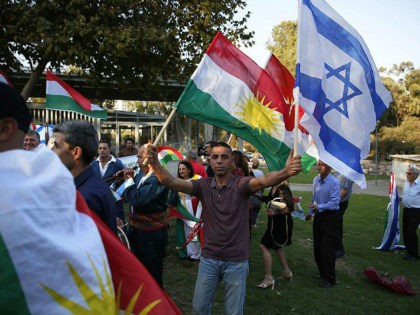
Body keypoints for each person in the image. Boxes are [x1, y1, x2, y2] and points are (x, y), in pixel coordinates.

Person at [145, 141, 302, 314]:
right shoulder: (203, 186)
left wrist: (286, 172)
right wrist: (154, 162)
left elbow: (264, 181)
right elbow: (171, 182)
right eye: (215, 157)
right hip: (209, 259)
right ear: (210, 161)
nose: (219, 160)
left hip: (236, 261)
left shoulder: (241, 184)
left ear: (231, 162)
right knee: (199, 308)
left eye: (224, 157)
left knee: (233, 312)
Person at [0, 82, 115, 313]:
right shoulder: (61, 189)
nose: (48, 151)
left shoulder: (85, 195)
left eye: (56, 145)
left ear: (76, 152)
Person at [51, 120, 117, 235]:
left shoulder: (87, 197)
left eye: (56, 146)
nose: (51, 151)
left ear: (76, 152)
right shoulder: (78, 188)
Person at [118, 144, 169, 287]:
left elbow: (137, 199)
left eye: (140, 157)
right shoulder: (141, 173)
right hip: (137, 230)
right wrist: (123, 180)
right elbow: (129, 196)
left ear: (149, 159)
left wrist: (128, 179)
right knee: (138, 267)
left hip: (151, 235)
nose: (137, 160)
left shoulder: (158, 177)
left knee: (152, 269)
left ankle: (156, 302)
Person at [307, 161, 340, 288]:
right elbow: (314, 198)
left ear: (329, 166)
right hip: (319, 215)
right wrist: (310, 212)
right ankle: (322, 273)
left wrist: (318, 206)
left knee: (327, 249)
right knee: (317, 247)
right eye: (318, 164)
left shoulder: (335, 182)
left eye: (322, 164)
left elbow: (335, 203)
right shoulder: (316, 179)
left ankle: (330, 279)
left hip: (330, 217)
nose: (319, 167)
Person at [257, 181, 294, 290]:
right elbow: (271, 201)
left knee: (263, 245)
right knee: (277, 247)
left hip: (282, 225)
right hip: (273, 223)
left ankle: (269, 278)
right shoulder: (274, 187)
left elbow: (290, 207)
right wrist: (257, 196)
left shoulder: (283, 189)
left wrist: (276, 213)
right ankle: (287, 272)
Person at [168, 160, 203, 260]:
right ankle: (188, 251)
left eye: (183, 169)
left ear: (189, 169)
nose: (181, 171)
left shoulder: (197, 178)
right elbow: (173, 198)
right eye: (180, 169)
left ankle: (196, 253)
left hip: (196, 207)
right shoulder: (177, 181)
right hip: (183, 209)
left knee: (195, 229)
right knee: (186, 231)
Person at [91, 139, 126, 226]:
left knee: (116, 227)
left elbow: (125, 180)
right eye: (100, 148)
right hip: (98, 200)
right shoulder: (93, 164)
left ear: (109, 150)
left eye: (104, 148)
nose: (102, 150)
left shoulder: (117, 164)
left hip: (114, 200)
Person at [401, 166, 420, 261]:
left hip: (416, 211)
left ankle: (414, 254)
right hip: (406, 210)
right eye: (406, 173)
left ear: (416, 175)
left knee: (411, 231)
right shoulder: (407, 183)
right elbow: (405, 195)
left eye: (409, 173)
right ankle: (408, 251)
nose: (407, 175)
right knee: (405, 231)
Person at [335, 173, 353, 258]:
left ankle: (339, 249)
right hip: (337, 202)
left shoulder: (345, 173)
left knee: (336, 225)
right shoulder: (338, 171)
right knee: (335, 224)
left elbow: (344, 191)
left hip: (340, 203)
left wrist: (332, 202)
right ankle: (335, 247)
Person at [251, 158, 264, 226]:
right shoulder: (260, 173)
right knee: (256, 209)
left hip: (250, 195)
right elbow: (263, 184)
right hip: (257, 194)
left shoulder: (249, 171)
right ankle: (253, 223)